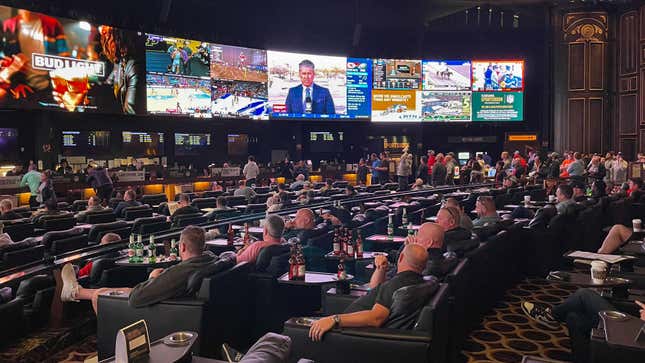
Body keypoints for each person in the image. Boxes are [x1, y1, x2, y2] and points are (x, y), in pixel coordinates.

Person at [61, 226, 224, 312]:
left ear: (181, 246)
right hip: (177, 300)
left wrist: (153, 277)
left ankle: (113, 347)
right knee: (104, 290)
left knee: (99, 296)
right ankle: (75, 292)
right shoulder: (211, 259)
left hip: (163, 309)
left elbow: (136, 298)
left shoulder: (182, 271)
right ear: (203, 245)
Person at [308, 244, 429, 341]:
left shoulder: (396, 285)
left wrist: (335, 319)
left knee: (297, 327)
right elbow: (375, 289)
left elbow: (376, 318)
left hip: (350, 336)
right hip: (351, 328)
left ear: (401, 258)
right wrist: (381, 270)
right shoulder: (418, 281)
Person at [521, 289, 645, 363]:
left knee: (583, 295)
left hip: (637, 336)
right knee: (574, 318)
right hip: (638, 329)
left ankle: (552, 316)